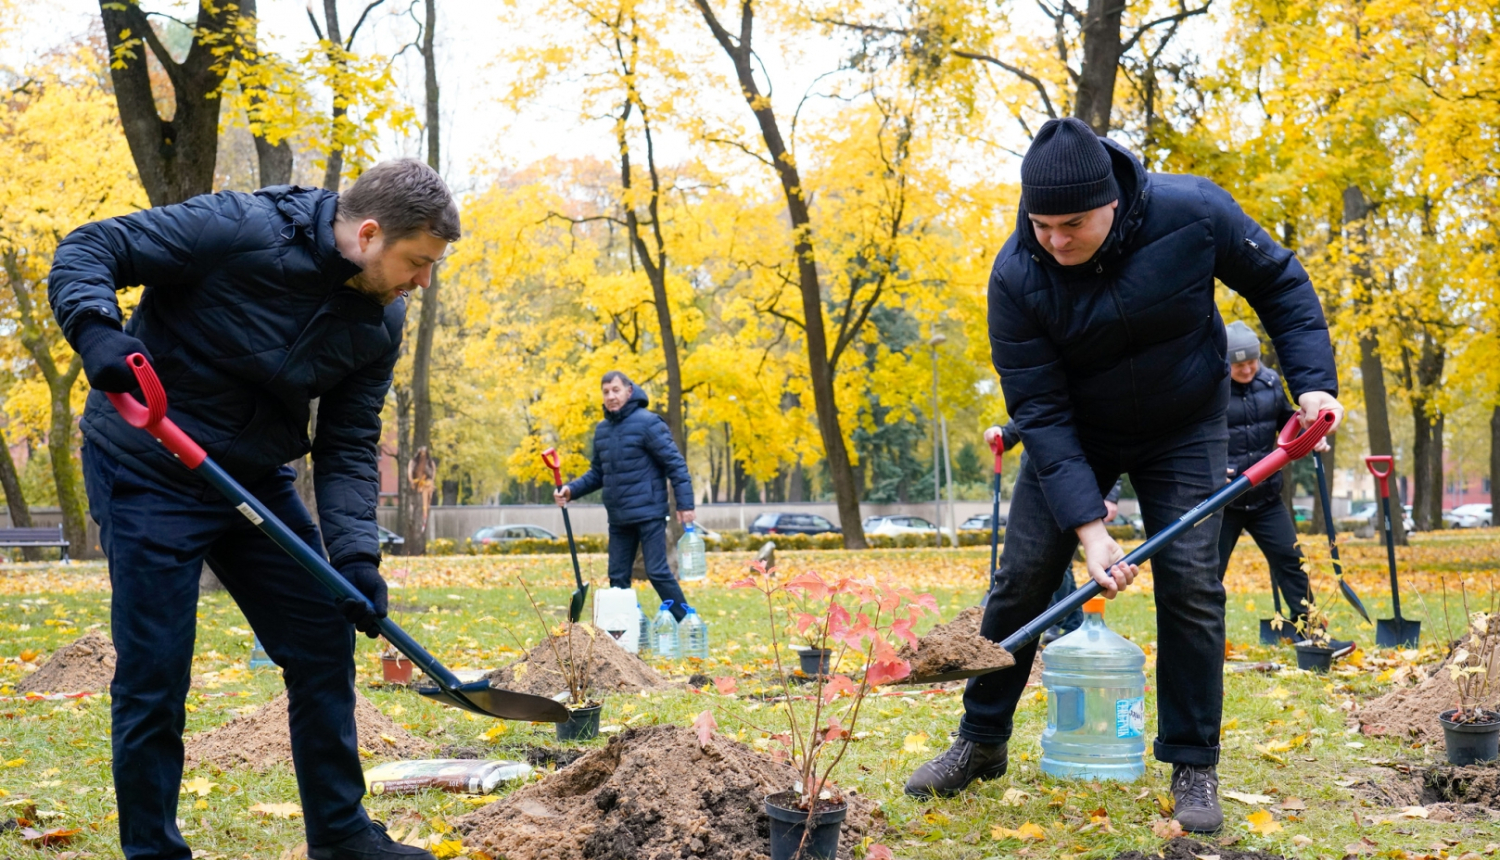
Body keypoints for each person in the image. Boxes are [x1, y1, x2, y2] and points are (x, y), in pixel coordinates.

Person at [903, 117, 1343, 834]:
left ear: (1111, 201)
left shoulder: (1194, 212)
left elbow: (1279, 281)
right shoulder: (1017, 276)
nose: (1054, 240)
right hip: (1076, 430)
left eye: (1071, 223)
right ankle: (981, 741)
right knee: (1021, 579)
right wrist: (1089, 529)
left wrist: (1315, 384)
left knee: (1194, 584)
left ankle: (1193, 762)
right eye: (1040, 224)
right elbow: (1039, 411)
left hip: (1185, 424)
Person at [49, 160, 459, 860]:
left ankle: (340, 837)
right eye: (418, 262)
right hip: (147, 463)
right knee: (156, 668)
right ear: (367, 233)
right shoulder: (237, 227)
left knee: (323, 637)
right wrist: (96, 330)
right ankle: (153, 849)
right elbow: (92, 246)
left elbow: (349, 444)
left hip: (250, 477)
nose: (423, 282)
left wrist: (356, 558)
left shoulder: (380, 322)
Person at [1219, 322, 1352, 655]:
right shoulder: (1212, 388)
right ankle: (1201, 645)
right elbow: (1194, 433)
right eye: (1238, 364)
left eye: (1251, 361)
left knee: (1292, 562)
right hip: (1223, 500)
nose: (1247, 368)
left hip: (1265, 497)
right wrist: (1209, 467)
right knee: (1207, 574)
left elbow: (1285, 421)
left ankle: (1312, 637)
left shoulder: (1270, 382)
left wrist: (1311, 435)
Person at [554, 371, 696, 620]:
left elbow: (676, 464)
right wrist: (571, 489)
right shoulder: (602, 431)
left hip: (649, 512)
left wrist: (685, 504)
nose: (611, 396)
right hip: (618, 517)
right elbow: (598, 473)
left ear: (629, 391)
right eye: (606, 391)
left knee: (657, 572)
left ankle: (688, 623)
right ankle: (623, 633)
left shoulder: (649, 423)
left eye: (616, 390)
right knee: (617, 578)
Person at [982, 422, 1121, 644]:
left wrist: (1110, 495)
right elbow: (1037, 409)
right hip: (1051, 471)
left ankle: (1057, 622)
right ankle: (1073, 622)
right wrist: (1006, 434)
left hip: (1088, 476)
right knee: (1055, 563)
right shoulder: (1046, 405)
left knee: (1056, 563)